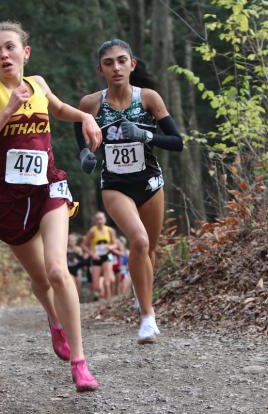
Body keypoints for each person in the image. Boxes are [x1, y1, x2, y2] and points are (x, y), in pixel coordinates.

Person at [0, 21, 101, 391]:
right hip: (10, 198)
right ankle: (55, 321)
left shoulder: (38, 83)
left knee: (57, 270)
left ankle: (79, 362)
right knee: (41, 280)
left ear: (25, 52)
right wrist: (8, 110)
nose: (3, 54)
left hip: (48, 187)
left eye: (10, 47)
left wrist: (85, 116)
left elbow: (58, 109)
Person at [74, 39, 183, 344]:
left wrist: (145, 134)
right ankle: (147, 317)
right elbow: (79, 134)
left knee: (149, 250)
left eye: (122, 60)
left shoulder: (148, 98)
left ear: (132, 64)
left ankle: (141, 291)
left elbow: (177, 142)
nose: (116, 67)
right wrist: (85, 154)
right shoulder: (90, 104)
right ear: (101, 69)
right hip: (115, 185)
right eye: (109, 63)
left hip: (150, 183)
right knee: (139, 240)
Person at [82, 211, 117, 302]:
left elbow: (115, 244)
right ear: (95, 221)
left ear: (105, 219)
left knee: (106, 282)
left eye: (101, 218)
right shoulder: (92, 231)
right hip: (96, 258)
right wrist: (92, 254)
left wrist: (110, 247)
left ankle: (108, 302)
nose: (99, 221)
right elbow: (84, 245)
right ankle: (102, 298)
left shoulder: (110, 230)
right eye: (97, 219)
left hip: (106, 256)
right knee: (96, 286)